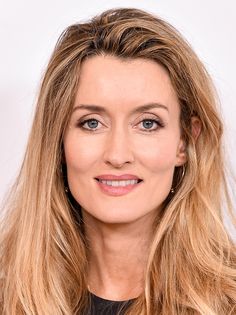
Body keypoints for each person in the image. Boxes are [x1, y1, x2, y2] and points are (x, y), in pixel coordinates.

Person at [0, 7, 236, 315]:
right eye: (92, 123)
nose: (117, 155)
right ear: (57, 141)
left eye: (148, 123)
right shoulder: (9, 295)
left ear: (184, 142)